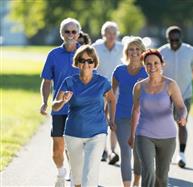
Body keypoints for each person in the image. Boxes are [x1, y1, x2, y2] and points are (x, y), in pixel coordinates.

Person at [52, 45, 116, 186]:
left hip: (97, 133)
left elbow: (112, 99)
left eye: (90, 61)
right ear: (77, 62)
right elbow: (54, 105)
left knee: (90, 174)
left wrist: (111, 118)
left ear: (94, 63)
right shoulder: (69, 81)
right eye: (82, 60)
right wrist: (63, 100)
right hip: (73, 133)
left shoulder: (102, 82)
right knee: (77, 177)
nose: (86, 64)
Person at [128, 49, 187, 187]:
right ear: (144, 66)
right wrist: (132, 135)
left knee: (161, 177)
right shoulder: (139, 86)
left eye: (156, 63)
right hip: (144, 134)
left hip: (168, 137)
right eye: (148, 64)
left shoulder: (170, 84)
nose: (152, 66)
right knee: (148, 171)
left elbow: (181, 106)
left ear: (162, 64)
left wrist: (183, 117)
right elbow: (135, 111)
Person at [40, 17, 81, 187]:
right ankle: (60, 171)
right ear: (61, 34)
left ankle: (75, 173)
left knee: (75, 145)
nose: (70, 35)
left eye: (74, 31)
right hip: (59, 107)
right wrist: (44, 102)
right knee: (58, 147)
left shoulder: (86, 53)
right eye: (67, 31)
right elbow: (47, 81)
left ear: (78, 34)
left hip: (79, 108)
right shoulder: (54, 54)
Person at [158, 25, 193, 168]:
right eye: (171, 39)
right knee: (164, 125)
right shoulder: (161, 52)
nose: (174, 42)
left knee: (182, 123)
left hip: (184, 94)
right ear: (168, 39)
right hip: (165, 96)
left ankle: (182, 154)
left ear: (180, 38)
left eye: (176, 39)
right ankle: (164, 153)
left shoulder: (189, 50)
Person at [112, 36, 147, 187]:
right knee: (125, 153)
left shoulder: (148, 71)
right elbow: (111, 97)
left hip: (143, 119)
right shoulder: (119, 71)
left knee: (138, 154)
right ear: (126, 52)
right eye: (131, 49)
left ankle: (136, 182)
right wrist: (110, 118)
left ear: (142, 52)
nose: (134, 52)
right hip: (122, 117)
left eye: (137, 49)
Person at [92, 21, 123, 164]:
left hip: (117, 90)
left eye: (114, 33)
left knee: (114, 120)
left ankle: (112, 151)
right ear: (103, 34)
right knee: (101, 120)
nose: (111, 36)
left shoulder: (122, 48)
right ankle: (102, 150)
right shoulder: (95, 48)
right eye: (108, 33)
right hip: (99, 89)